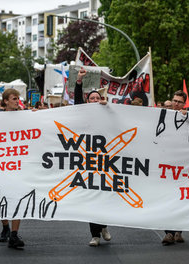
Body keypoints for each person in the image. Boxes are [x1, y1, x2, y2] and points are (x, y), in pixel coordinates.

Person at [74, 67, 111, 247]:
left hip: (105, 162)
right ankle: (95, 234)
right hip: (88, 161)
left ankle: (103, 225)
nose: (95, 100)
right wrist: (79, 82)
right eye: (92, 98)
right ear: (87, 101)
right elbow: (76, 101)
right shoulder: (83, 112)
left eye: (98, 98)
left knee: (103, 196)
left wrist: (109, 108)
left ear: (102, 100)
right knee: (91, 196)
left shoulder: (109, 113)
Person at [0, 89, 25, 249]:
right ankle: (5, 226)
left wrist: (35, 115)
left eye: (18, 98)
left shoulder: (24, 116)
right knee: (2, 199)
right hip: (0, 165)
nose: (17, 101)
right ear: (5, 101)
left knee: (18, 198)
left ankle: (14, 234)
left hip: (19, 164)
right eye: (14, 98)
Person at [161, 90, 187, 246]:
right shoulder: (163, 115)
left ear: (184, 104)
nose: (176, 104)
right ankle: (169, 233)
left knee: (181, 199)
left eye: (180, 102)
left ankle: (178, 231)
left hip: (184, 166)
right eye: (174, 101)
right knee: (167, 199)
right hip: (166, 165)